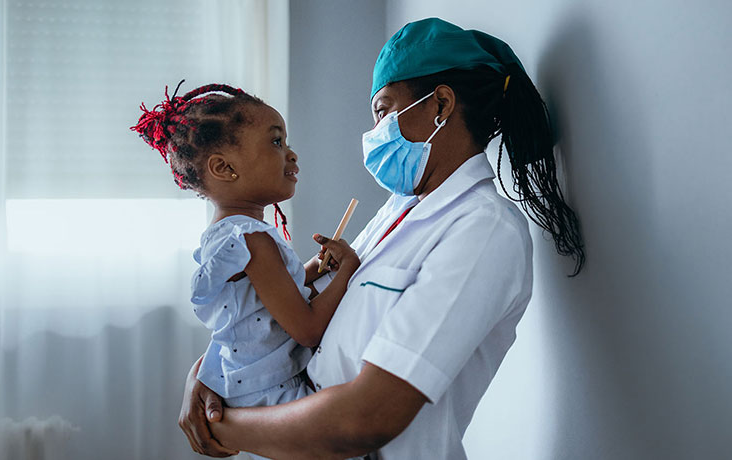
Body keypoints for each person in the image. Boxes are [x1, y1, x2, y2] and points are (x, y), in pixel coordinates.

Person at [179, 17, 585, 459]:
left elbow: (364, 420)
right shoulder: (402, 207)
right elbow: (286, 314)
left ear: (441, 105)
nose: (375, 134)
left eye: (384, 110)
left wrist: (223, 426)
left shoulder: (483, 229)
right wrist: (207, 375)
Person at [130, 82, 360, 459]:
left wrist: (316, 269)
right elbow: (307, 329)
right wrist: (347, 272)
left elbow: (262, 301)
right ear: (223, 167)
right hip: (273, 394)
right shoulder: (253, 240)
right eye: (275, 142)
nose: (291, 153)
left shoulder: (227, 235)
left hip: (247, 390)